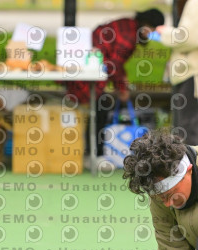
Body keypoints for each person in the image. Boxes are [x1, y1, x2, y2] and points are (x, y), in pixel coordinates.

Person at [65, 9, 165, 165]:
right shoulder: (129, 36)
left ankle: (92, 154)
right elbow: (114, 64)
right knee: (100, 106)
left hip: (88, 66)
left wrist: (121, 82)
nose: (151, 35)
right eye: (152, 30)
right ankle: (95, 155)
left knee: (100, 106)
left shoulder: (128, 25)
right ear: (146, 25)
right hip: (89, 70)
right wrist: (122, 88)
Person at [155, 0, 198, 146]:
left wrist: (165, 32)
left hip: (194, 72)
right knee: (195, 127)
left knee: (188, 129)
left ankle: (192, 161)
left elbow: (190, 38)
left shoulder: (196, 4)